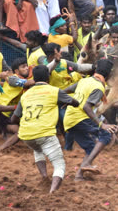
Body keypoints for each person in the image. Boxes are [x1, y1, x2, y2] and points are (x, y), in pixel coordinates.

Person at [11, 65, 79, 193]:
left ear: (34, 78)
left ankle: (44, 176)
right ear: (48, 77)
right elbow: (75, 103)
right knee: (59, 164)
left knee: (38, 149)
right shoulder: (54, 91)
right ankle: (52, 192)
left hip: (26, 134)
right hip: (45, 133)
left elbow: (13, 119)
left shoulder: (26, 95)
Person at [63, 59, 117, 180]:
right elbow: (86, 106)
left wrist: (64, 100)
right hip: (79, 118)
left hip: (69, 119)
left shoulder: (84, 80)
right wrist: (101, 124)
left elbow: (67, 90)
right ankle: (87, 164)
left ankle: (79, 176)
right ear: (108, 75)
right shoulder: (98, 87)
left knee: (90, 147)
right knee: (106, 134)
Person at [0, 57, 35, 153]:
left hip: (9, 112)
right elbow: (29, 83)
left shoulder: (15, 78)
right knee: (20, 132)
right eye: (23, 67)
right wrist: (41, 77)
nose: (26, 68)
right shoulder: (14, 79)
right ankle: (0, 149)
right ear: (17, 70)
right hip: (3, 113)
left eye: (26, 66)